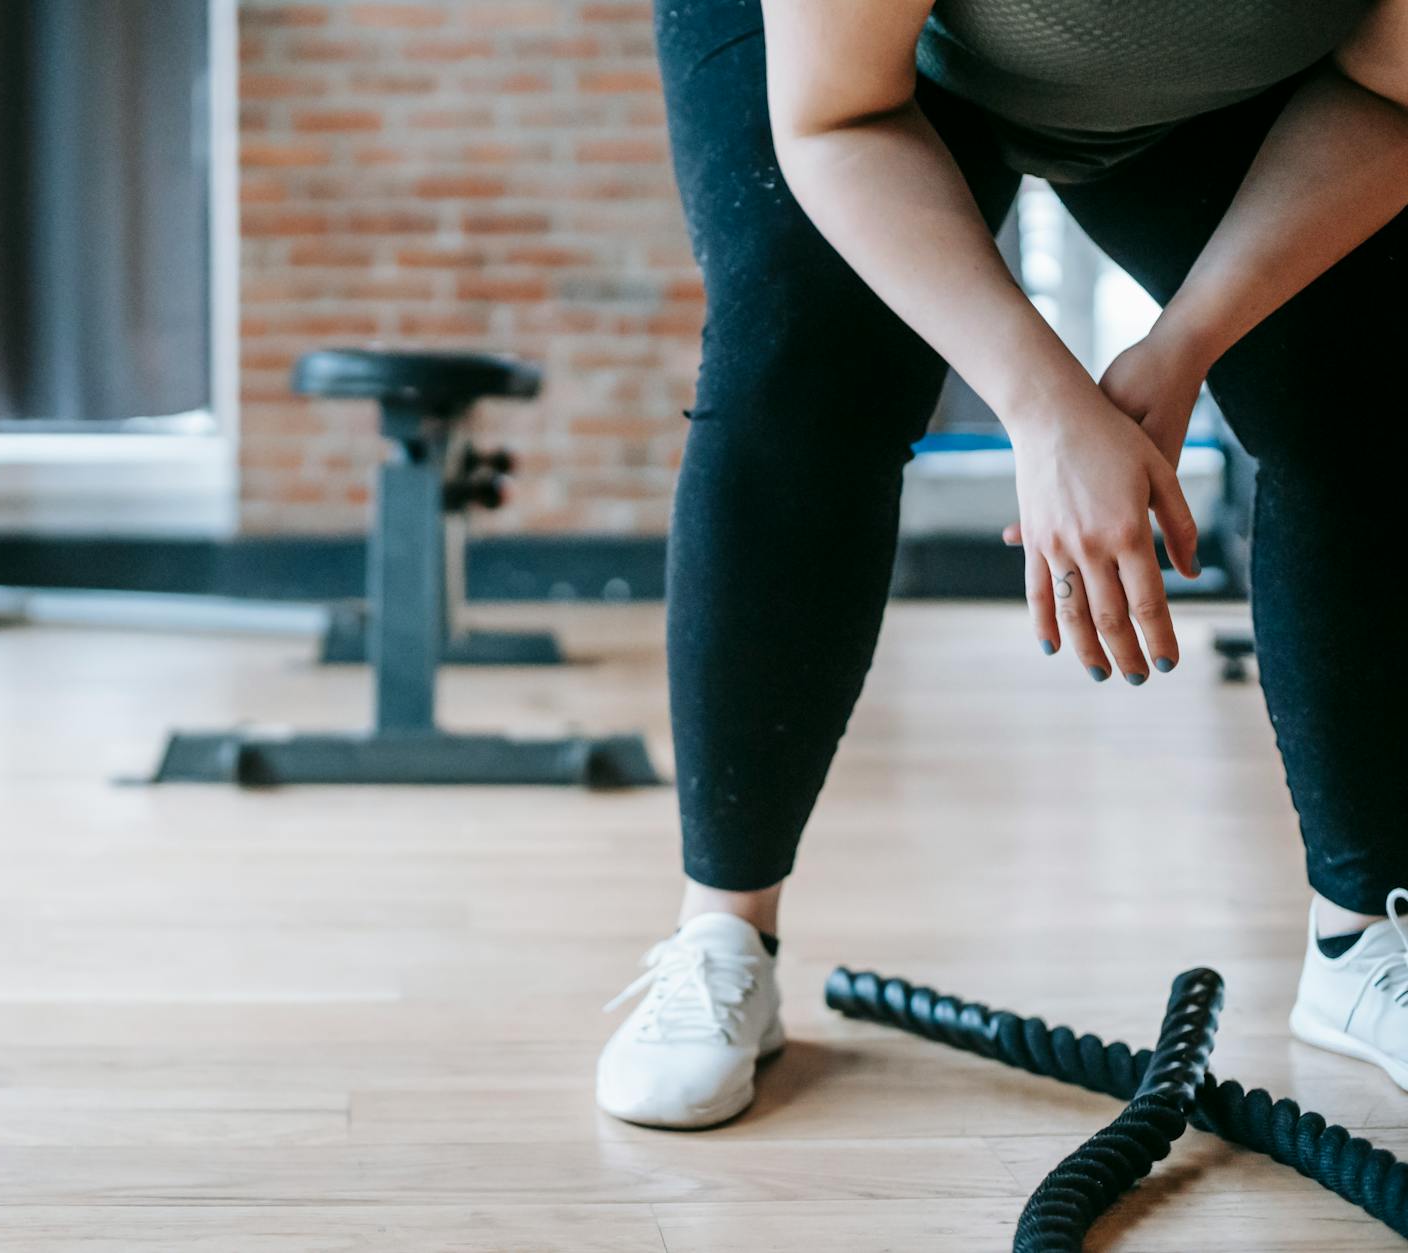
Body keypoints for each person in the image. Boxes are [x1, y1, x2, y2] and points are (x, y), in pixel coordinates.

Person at [597, 0, 1408, 1128]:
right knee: (797, 351)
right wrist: (1041, 405)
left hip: (1211, 90)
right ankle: (723, 928)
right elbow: (838, 118)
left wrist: (1183, 346)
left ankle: (1366, 934)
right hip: (855, 83)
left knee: (1363, 368)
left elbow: (1388, 95)